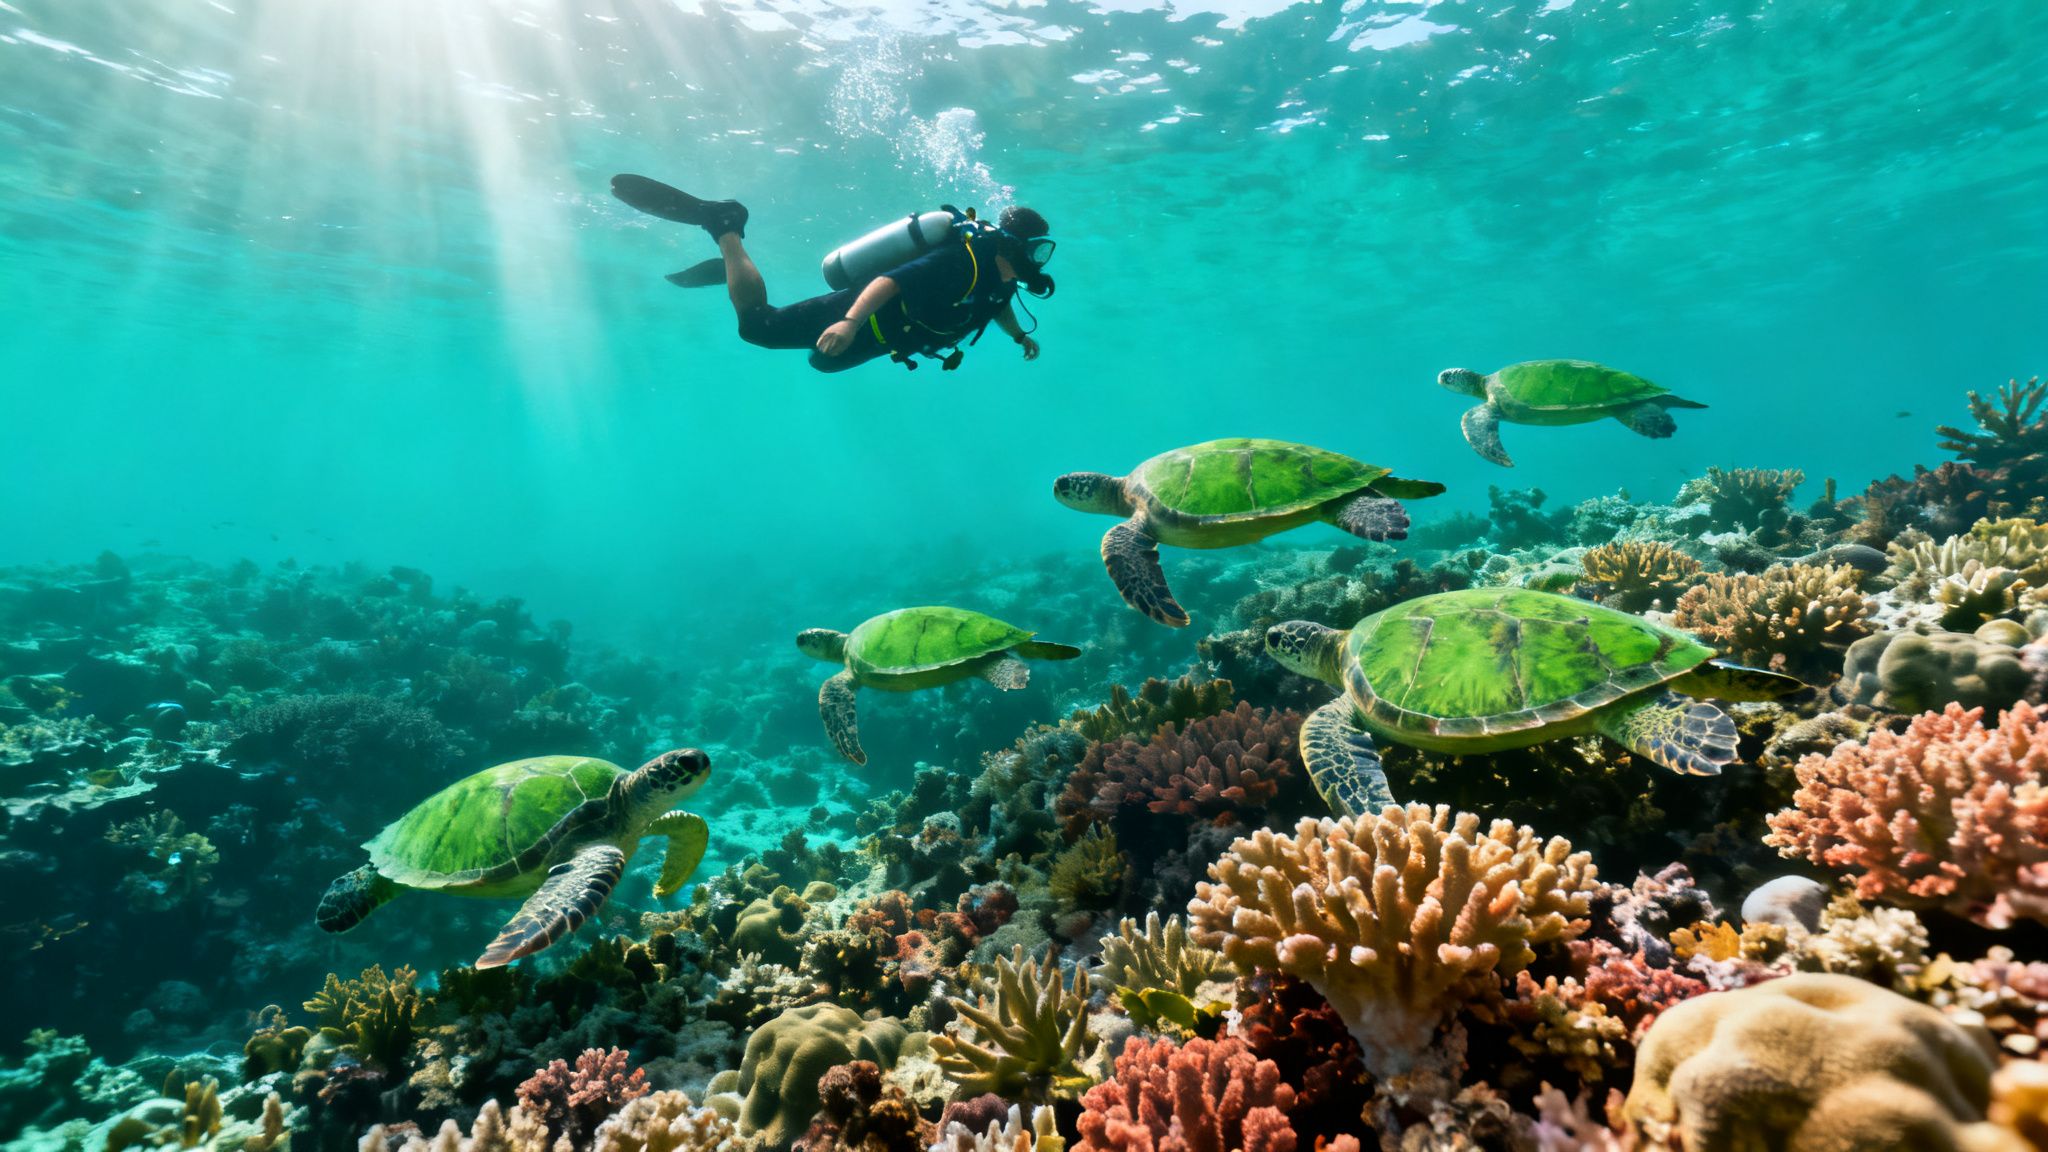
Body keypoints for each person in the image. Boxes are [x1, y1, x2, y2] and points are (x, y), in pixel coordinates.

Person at [611, 174, 1055, 374]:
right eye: (1037, 247)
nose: (1040, 258)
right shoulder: (964, 260)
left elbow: (995, 307)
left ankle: (730, 268)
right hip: (860, 312)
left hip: (889, 336)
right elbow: (890, 281)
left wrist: (1019, 336)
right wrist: (848, 322)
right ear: (1015, 243)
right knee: (757, 328)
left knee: (822, 364)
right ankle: (726, 226)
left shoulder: (1003, 280)